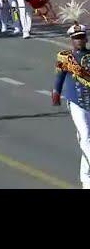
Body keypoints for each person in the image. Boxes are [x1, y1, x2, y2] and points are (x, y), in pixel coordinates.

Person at [53, 17, 90, 189]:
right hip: (75, 101)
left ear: (86, 38)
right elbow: (59, 76)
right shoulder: (65, 57)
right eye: (76, 38)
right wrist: (56, 93)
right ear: (71, 40)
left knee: (86, 140)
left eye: (81, 37)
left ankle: (86, 179)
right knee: (86, 137)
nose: (79, 40)